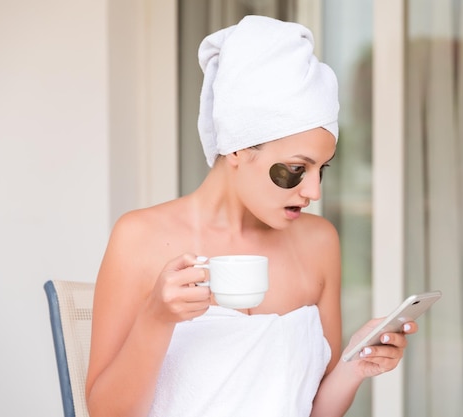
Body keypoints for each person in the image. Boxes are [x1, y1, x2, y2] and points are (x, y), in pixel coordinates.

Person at [85, 15, 418, 417]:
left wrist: (353, 366)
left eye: (321, 169)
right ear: (238, 148)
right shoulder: (140, 237)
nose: (313, 191)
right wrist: (156, 319)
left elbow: (314, 410)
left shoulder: (319, 243)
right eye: (296, 168)